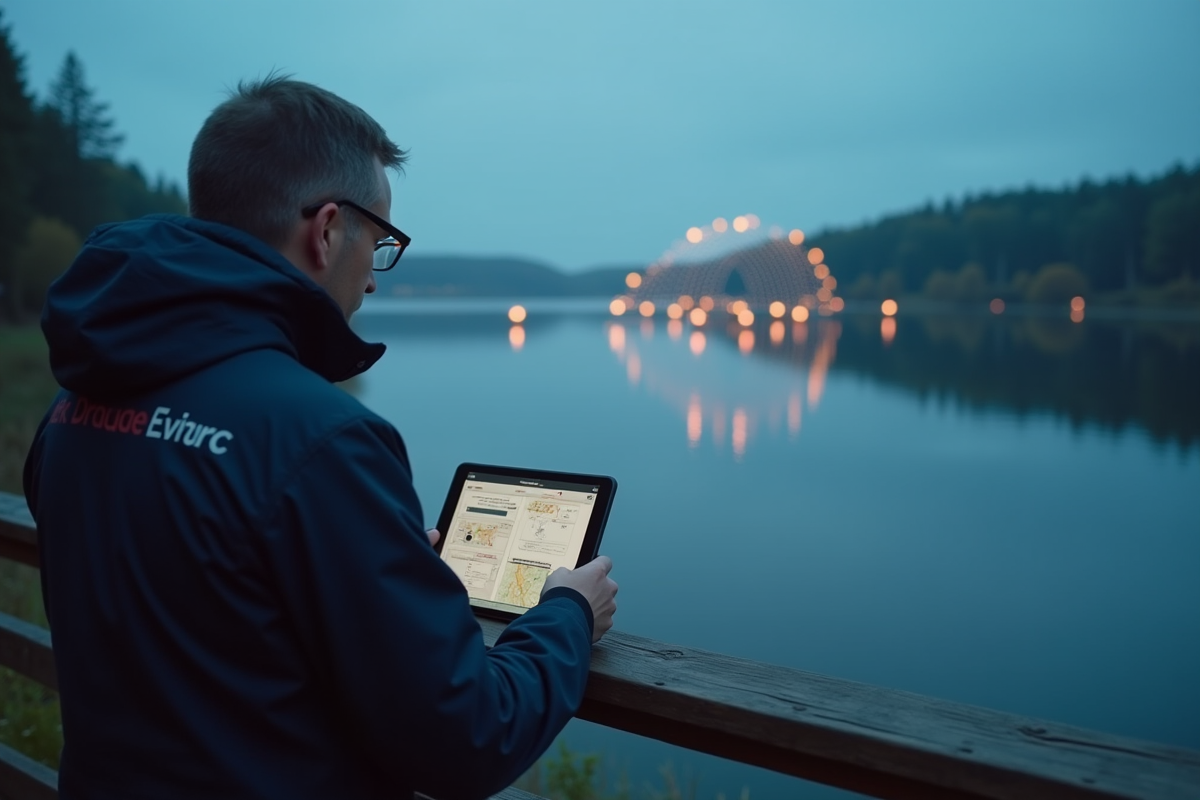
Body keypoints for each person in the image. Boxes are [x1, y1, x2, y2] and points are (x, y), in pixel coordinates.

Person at [22, 75, 618, 800]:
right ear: (328, 229)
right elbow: (468, 735)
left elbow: (194, 594)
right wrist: (566, 614)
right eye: (381, 240)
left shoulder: (72, 407)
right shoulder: (322, 440)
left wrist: (364, 552)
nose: (373, 279)